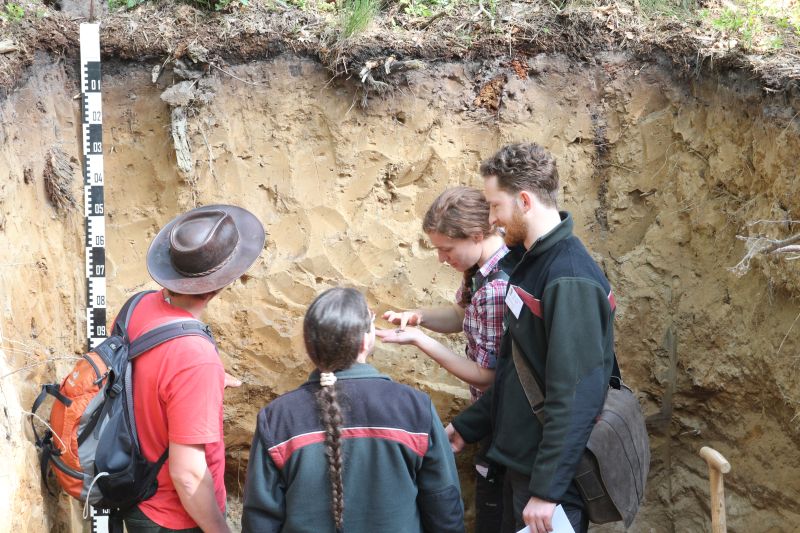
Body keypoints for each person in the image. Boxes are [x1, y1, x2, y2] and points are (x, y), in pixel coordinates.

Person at [447, 144, 617, 533]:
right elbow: (517, 372)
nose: (492, 219)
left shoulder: (568, 278)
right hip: (524, 470)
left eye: (495, 206)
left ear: (524, 201)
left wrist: (547, 490)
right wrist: (468, 424)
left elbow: (575, 396)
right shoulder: (532, 263)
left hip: (547, 488)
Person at [241, 287, 465, 533]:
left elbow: (259, 520)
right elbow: (443, 505)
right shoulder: (414, 408)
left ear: (310, 345)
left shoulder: (277, 419)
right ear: (365, 341)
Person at [377, 186, 521, 533]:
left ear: (475, 235)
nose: (442, 258)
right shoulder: (481, 268)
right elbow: (460, 315)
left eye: (446, 249)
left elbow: (487, 376)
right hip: (494, 415)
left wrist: (420, 340)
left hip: (504, 419)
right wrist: (419, 317)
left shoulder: (495, 289)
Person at [122, 204, 266, 532]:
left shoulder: (138, 305)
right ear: (218, 285)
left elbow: (145, 374)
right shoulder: (194, 359)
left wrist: (203, 382)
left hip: (136, 492)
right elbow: (187, 475)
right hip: (173, 517)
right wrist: (219, 528)